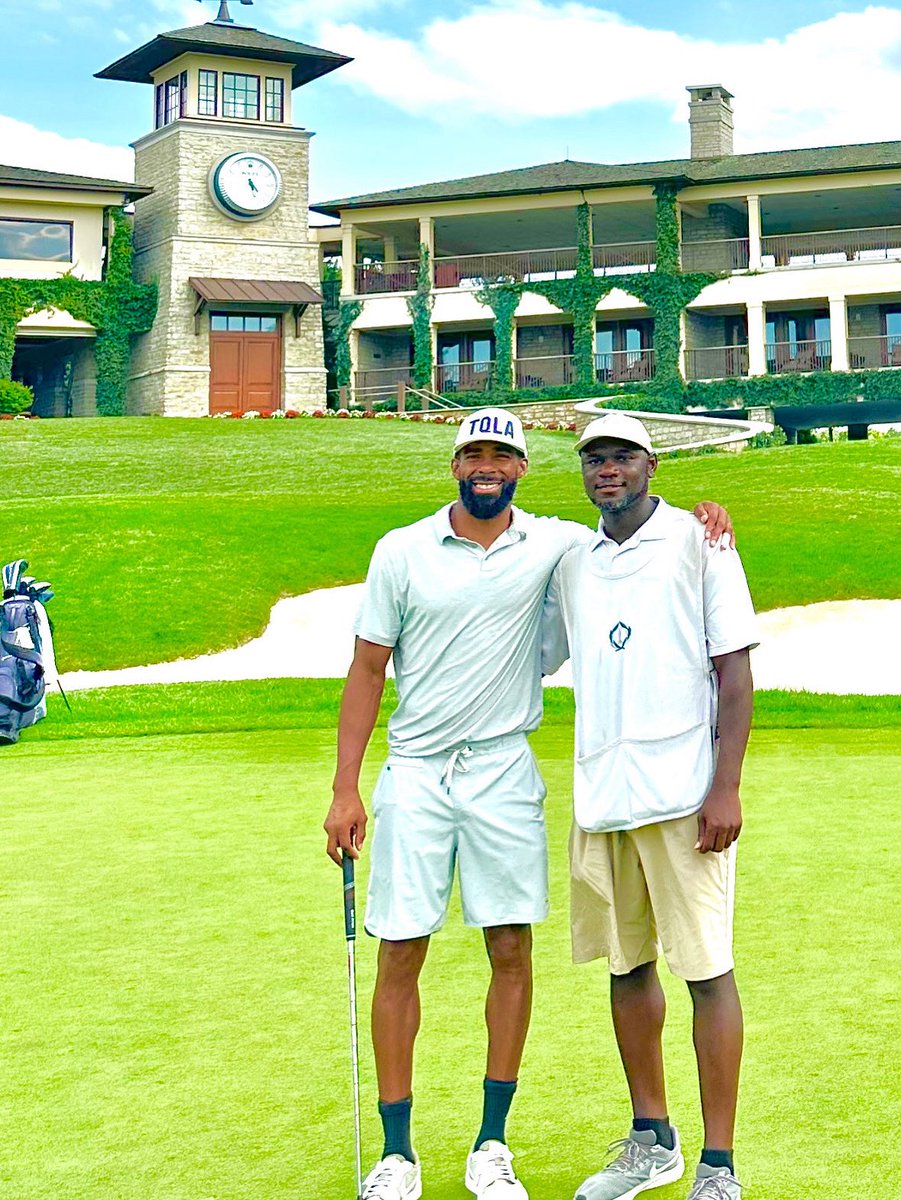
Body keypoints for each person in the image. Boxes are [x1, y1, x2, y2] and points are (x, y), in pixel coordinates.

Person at [323, 407, 732, 1200]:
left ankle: (490, 1146)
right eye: (473, 453)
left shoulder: (557, 543)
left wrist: (707, 519)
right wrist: (346, 786)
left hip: (503, 770)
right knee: (400, 948)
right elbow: (367, 670)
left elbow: (641, 528)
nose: (487, 466)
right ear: (454, 466)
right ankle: (397, 1153)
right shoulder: (399, 551)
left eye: (502, 455)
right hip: (413, 769)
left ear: (520, 470)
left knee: (510, 949)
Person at [541, 414, 758, 1200]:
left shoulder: (702, 543)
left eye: (622, 456)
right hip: (603, 795)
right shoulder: (573, 557)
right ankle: (651, 1138)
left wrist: (724, 787)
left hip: (683, 792)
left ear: (650, 464)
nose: (608, 469)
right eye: (594, 458)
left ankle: (717, 1165)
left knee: (706, 971)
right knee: (627, 967)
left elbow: (732, 672)